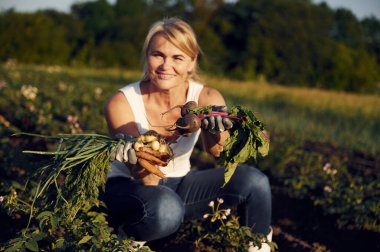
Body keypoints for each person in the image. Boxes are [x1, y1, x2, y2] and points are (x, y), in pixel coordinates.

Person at [103, 17, 272, 251]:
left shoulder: (207, 97)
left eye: (177, 58)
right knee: (167, 208)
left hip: (179, 185)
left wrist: (214, 130)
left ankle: (258, 247)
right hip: (130, 188)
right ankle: (122, 243)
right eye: (158, 55)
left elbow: (219, 153)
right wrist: (147, 149)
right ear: (147, 56)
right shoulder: (121, 102)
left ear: (192, 63)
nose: (165, 65)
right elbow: (146, 176)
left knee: (254, 182)